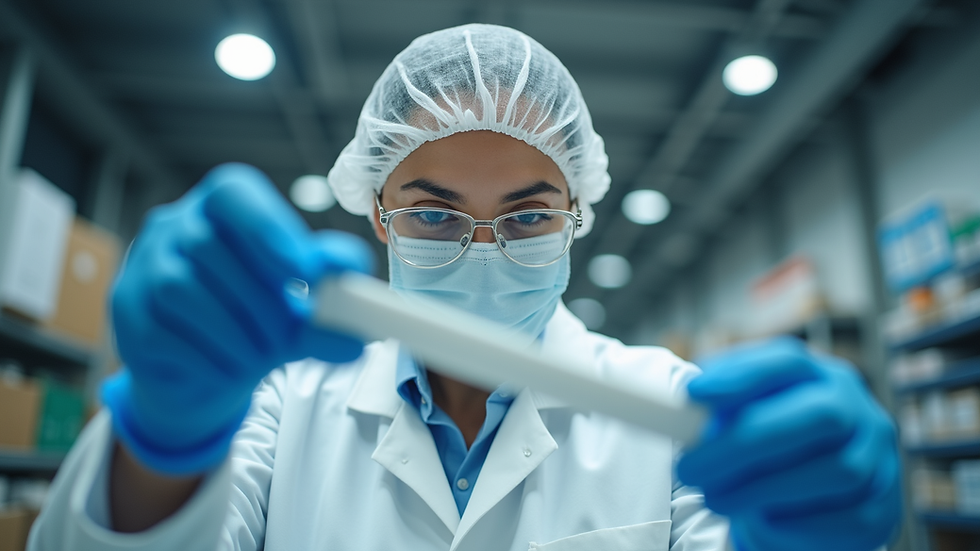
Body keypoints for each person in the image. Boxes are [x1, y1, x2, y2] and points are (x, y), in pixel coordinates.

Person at [28, 24, 901, 551]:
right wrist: (162, 438)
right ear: (379, 218)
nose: (485, 251)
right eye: (434, 215)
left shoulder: (669, 406)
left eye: (528, 216)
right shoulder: (283, 402)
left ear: (575, 218)